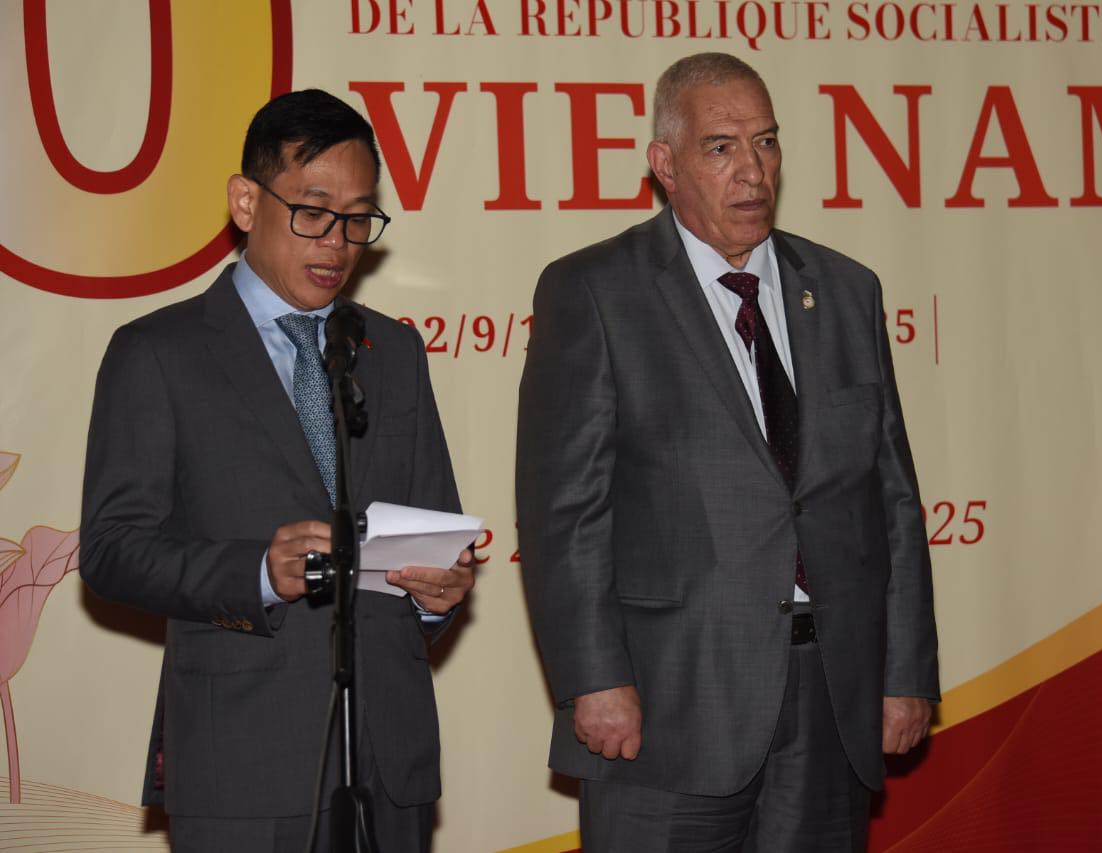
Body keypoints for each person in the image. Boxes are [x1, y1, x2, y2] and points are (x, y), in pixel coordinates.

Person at [516, 53, 939, 851]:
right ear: (665, 164)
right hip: (668, 702)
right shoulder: (594, 291)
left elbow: (892, 497)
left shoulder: (846, 290)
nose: (752, 170)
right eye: (720, 147)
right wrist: (593, 679)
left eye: (766, 142)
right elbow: (563, 512)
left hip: (831, 698)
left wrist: (905, 671)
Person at [80, 89, 474, 852]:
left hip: (390, 760)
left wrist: (441, 593)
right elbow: (112, 548)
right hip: (241, 758)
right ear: (245, 201)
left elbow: (435, 531)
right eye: (313, 212)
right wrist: (258, 570)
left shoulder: (392, 351)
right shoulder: (158, 352)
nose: (337, 243)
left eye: (357, 218)